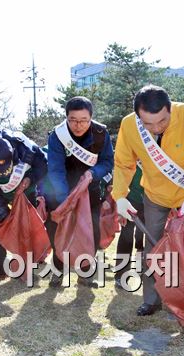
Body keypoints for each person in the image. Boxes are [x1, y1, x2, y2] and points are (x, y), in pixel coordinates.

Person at [113, 85, 184, 316]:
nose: (156, 128)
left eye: (162, 121)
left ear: (171, 109)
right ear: (139, 116)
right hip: (155, 194)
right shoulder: (130, 125)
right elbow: (123, 164)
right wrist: (119, 196)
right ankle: (152, 299)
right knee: (153, 247)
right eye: (148, 124)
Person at [41, 96, 114, 288]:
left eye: (83, 120)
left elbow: (107, 162)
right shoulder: (58, 135)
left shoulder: (100, 133)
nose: (78, 125)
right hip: (61, 191)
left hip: (91, 190)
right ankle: (57, 272)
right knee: (59, 231)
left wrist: (93, 173)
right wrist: (66, 202)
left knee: (92, 233)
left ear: (91, 118)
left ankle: (86, 275)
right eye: (73, 120)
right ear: (66, 118)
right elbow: (56, 170)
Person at [0, 129, 48, 280]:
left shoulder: (28, 149)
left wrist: (30, 179)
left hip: (25, 190)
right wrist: (5, 218)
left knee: (29, 228)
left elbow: (43, 166)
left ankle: (31, 263)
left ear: (14, 154)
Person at [113, 164, 145, 289]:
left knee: (148, 240)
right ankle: (121, 274)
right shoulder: (131, 160)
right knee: (126, 237)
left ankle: (146, 272)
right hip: (131, 201)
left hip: (152, 203)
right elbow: (122, 183)